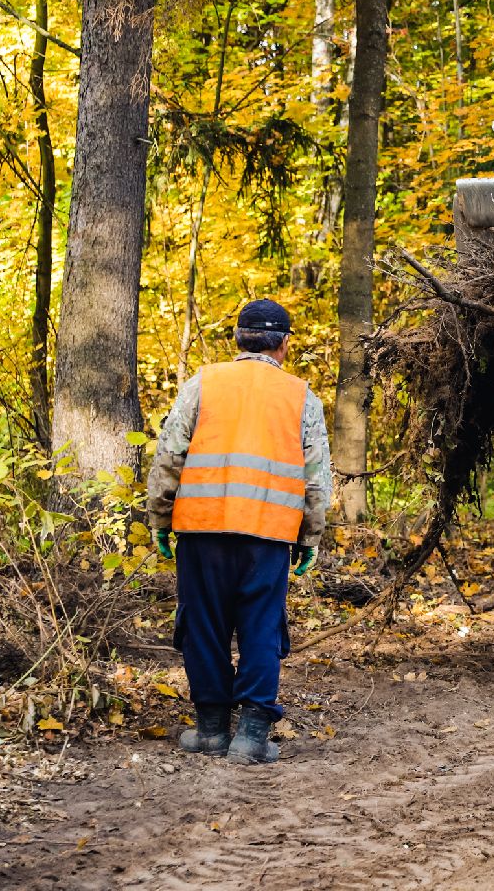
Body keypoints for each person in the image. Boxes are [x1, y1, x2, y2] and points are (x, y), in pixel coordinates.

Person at [147, 299, 332, 764]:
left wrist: (160, 519)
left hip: (201, 528)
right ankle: (250, 736)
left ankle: (210, 730)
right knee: (260, 628)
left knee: (202, 626)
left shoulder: (201, 385)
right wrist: (309, 535)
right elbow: (316, 474)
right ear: (284, 345)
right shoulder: (301, 396)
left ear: (237, 340)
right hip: (269, 534)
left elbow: (169, 455)